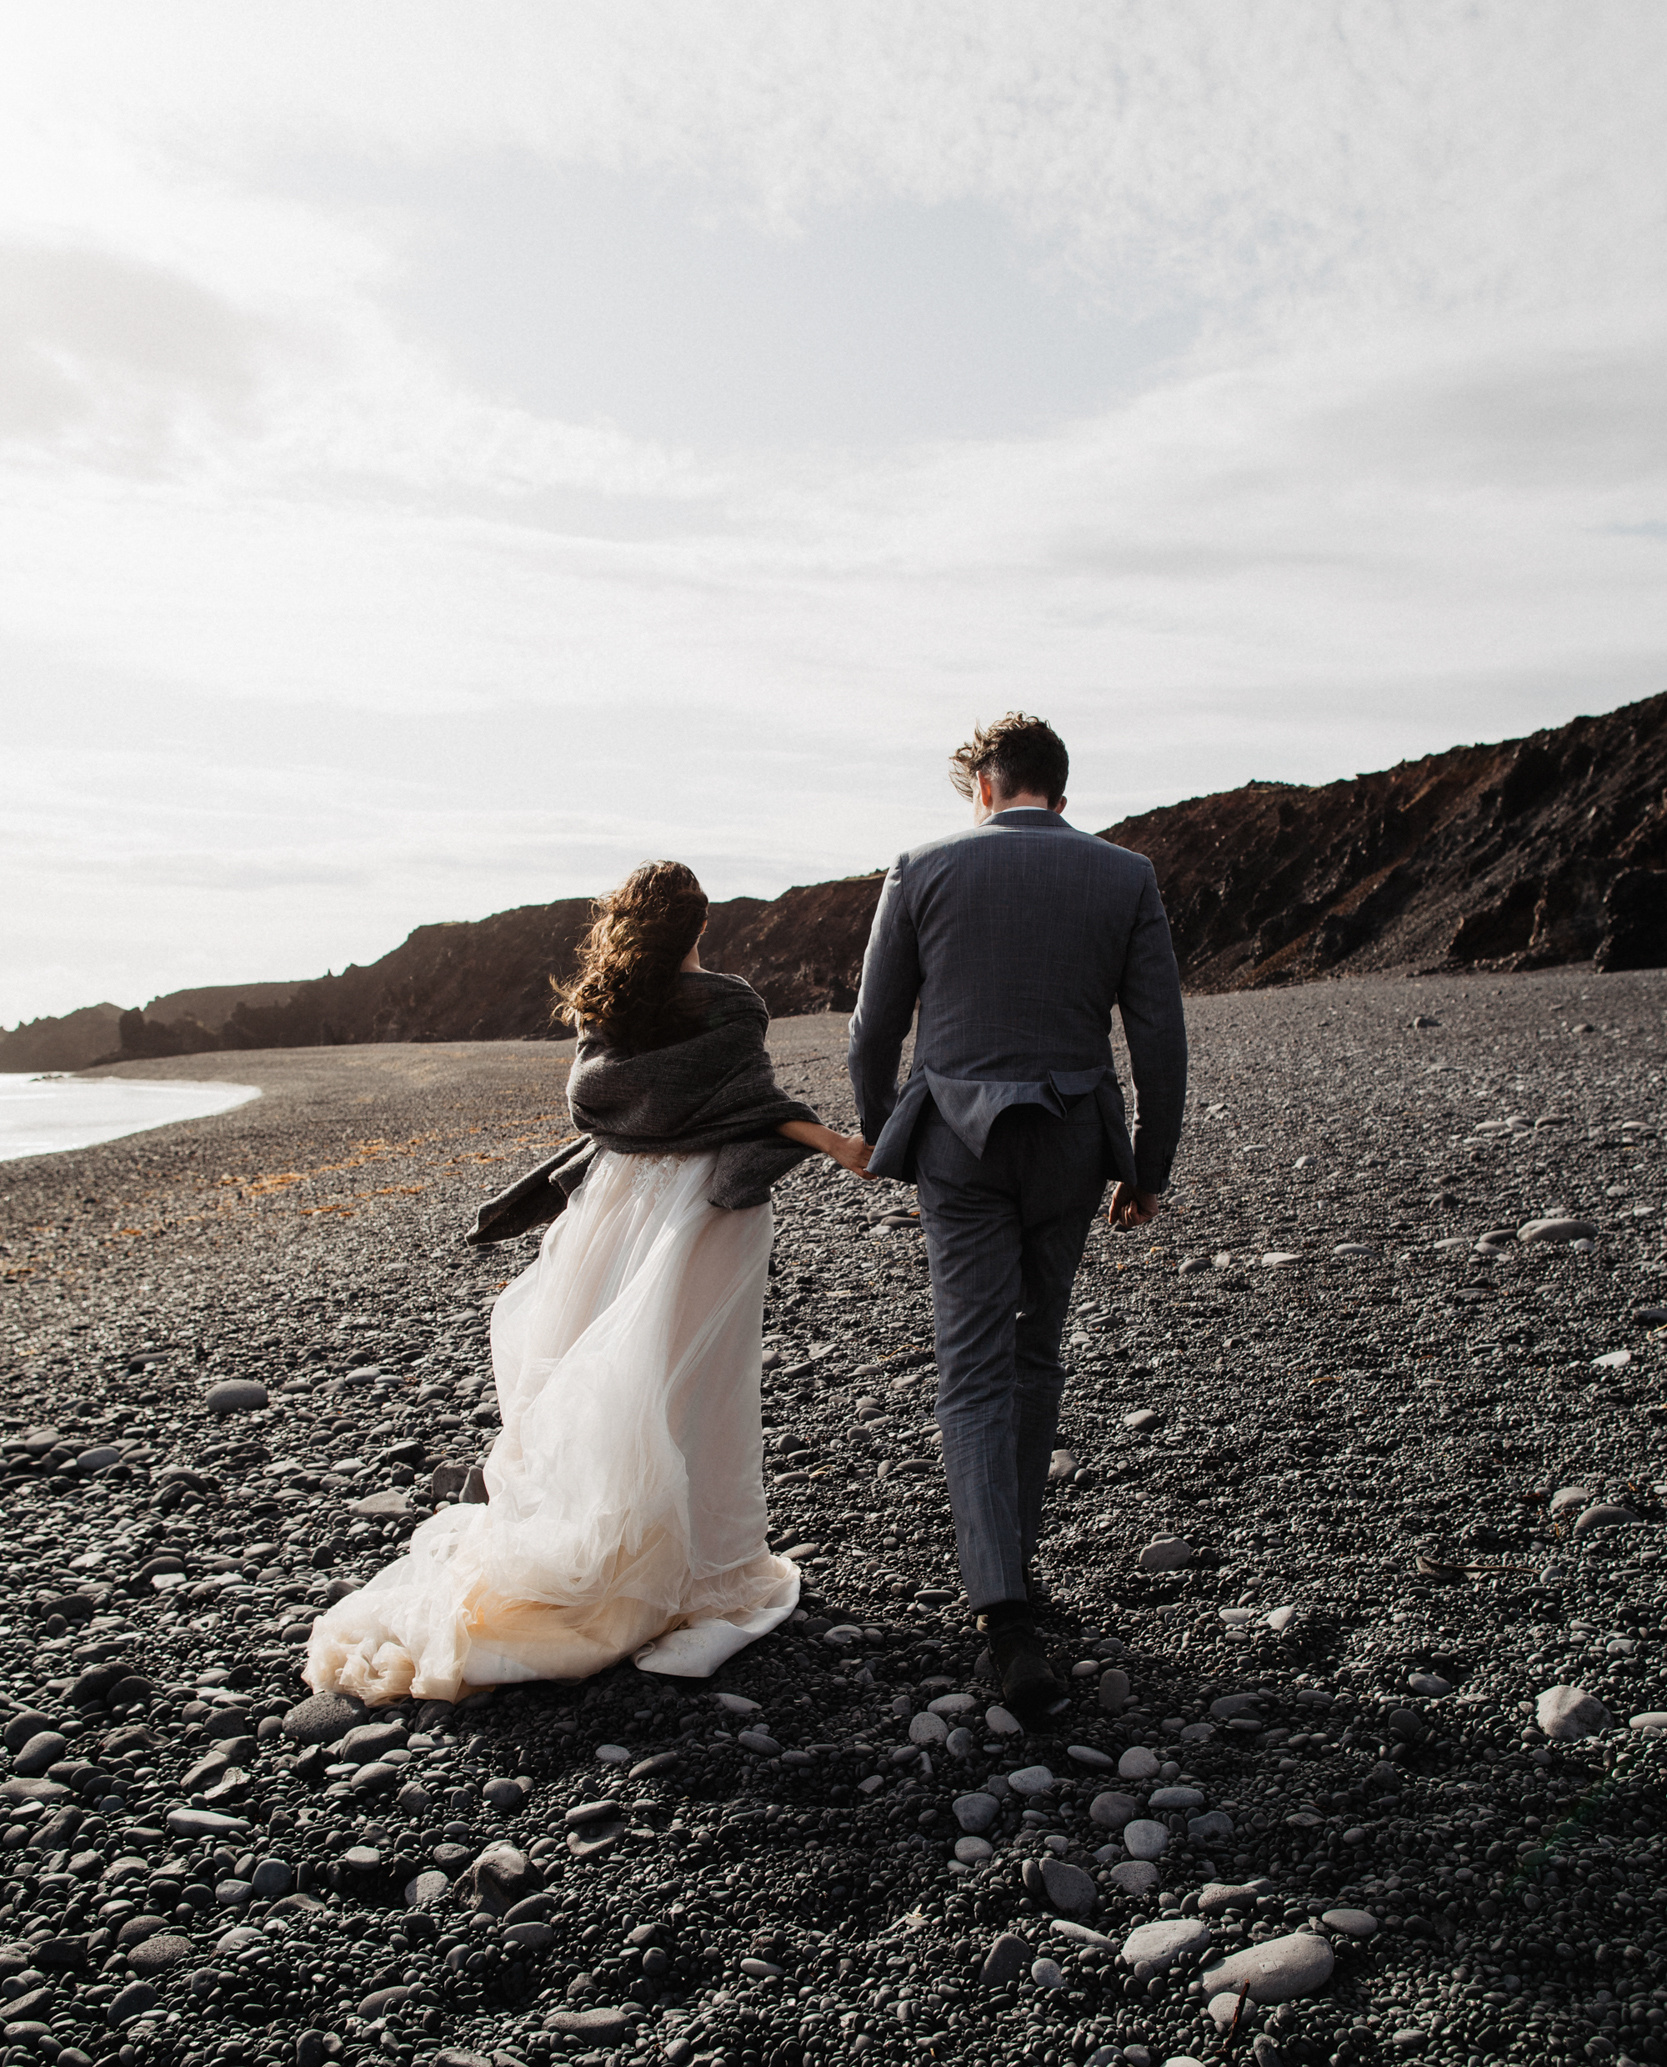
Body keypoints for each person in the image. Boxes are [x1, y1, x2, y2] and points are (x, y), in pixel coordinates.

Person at [306, 860, 870, 1703]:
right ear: (699, 925)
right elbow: (749, 1101)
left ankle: (623, 1554)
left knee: (608, 1378)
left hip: (612, 1198)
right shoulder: (730, 1002)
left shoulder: (607, 1003)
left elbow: (598, 1102)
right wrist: (836, 1144)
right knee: (697, 1387)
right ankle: (699, 1572)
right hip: (698, 1208)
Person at [847, 714, 1188, 1726]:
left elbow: (873, 1028)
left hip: (957, 1144)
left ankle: (1001, 1606)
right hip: (1073, 1140)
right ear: (1060, 793)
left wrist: (886, 1136)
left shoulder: (920, 868)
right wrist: (1148, 1167)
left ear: (984, 789)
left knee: (969, 1365)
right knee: (1036, 1351)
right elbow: (1159, 1036)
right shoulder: (1124, 875)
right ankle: (1016, 1569)